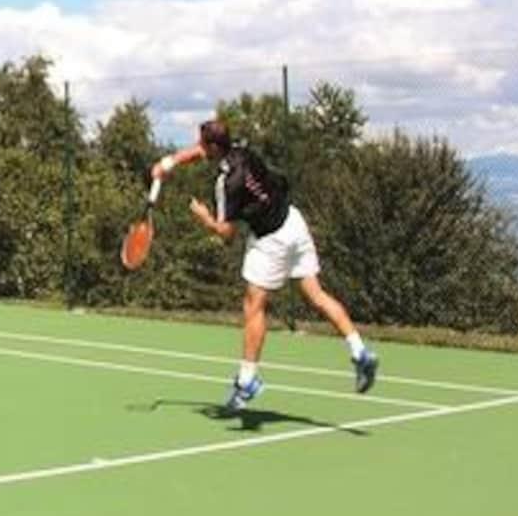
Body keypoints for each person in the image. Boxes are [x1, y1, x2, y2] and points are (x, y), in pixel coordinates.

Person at [152, 119, 377, 412]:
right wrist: (168, 163)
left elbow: (227, 233)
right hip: (293, 222)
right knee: (317, 295)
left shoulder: (226, 183)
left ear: (214, 147)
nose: (199, 147)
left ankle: (247, 380)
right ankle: (360, 351)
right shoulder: (242, 150)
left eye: (203, 143)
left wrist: (205, 218)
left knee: (253, 306)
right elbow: (199, 152)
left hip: (270, 242)